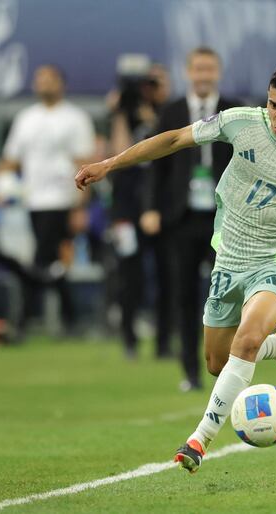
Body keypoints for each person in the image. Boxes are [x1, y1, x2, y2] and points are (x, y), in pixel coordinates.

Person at [75, 64, 276, 474]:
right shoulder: (241, 122)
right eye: (273, 105)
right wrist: (110, 164)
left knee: (245, 342)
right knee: (217, 362)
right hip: (228, 260)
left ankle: (198, 440)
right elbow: (175, 139)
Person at [141, 47, 240, 390]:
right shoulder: (171, 112)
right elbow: (158, 164)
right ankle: (190, 372)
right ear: (188, 72)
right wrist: (151, 208)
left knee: (228, 293)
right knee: (183, 295)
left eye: (209, 69)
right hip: (180, 218)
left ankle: (229, 370)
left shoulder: (235, 109)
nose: (203, 75)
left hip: (224, 217)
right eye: (197, 69)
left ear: (218, 72)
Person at [0, 64, 96, 334]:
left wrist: (81, 206)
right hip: (33, 201)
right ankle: (71, 319)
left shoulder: (75, 118)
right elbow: (11, 159)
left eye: (49, 79)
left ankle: (24, 320)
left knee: (42, 261)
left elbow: (86, 163)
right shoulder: (26, 118)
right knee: (51, 265)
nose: (44, 84)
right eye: (40, 79)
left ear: (61, 83)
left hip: (62, 200)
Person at [108, 60, 172, 358]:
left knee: (166, 274)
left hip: (161, 204)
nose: (149, 89)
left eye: (155, 83)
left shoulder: (170, 113)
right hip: (127, 204)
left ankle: (163, 342)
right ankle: (129, 340)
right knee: (128, 275)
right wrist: (122, 110)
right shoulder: (126, 112)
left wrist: (155, 109)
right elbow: (118, 152)